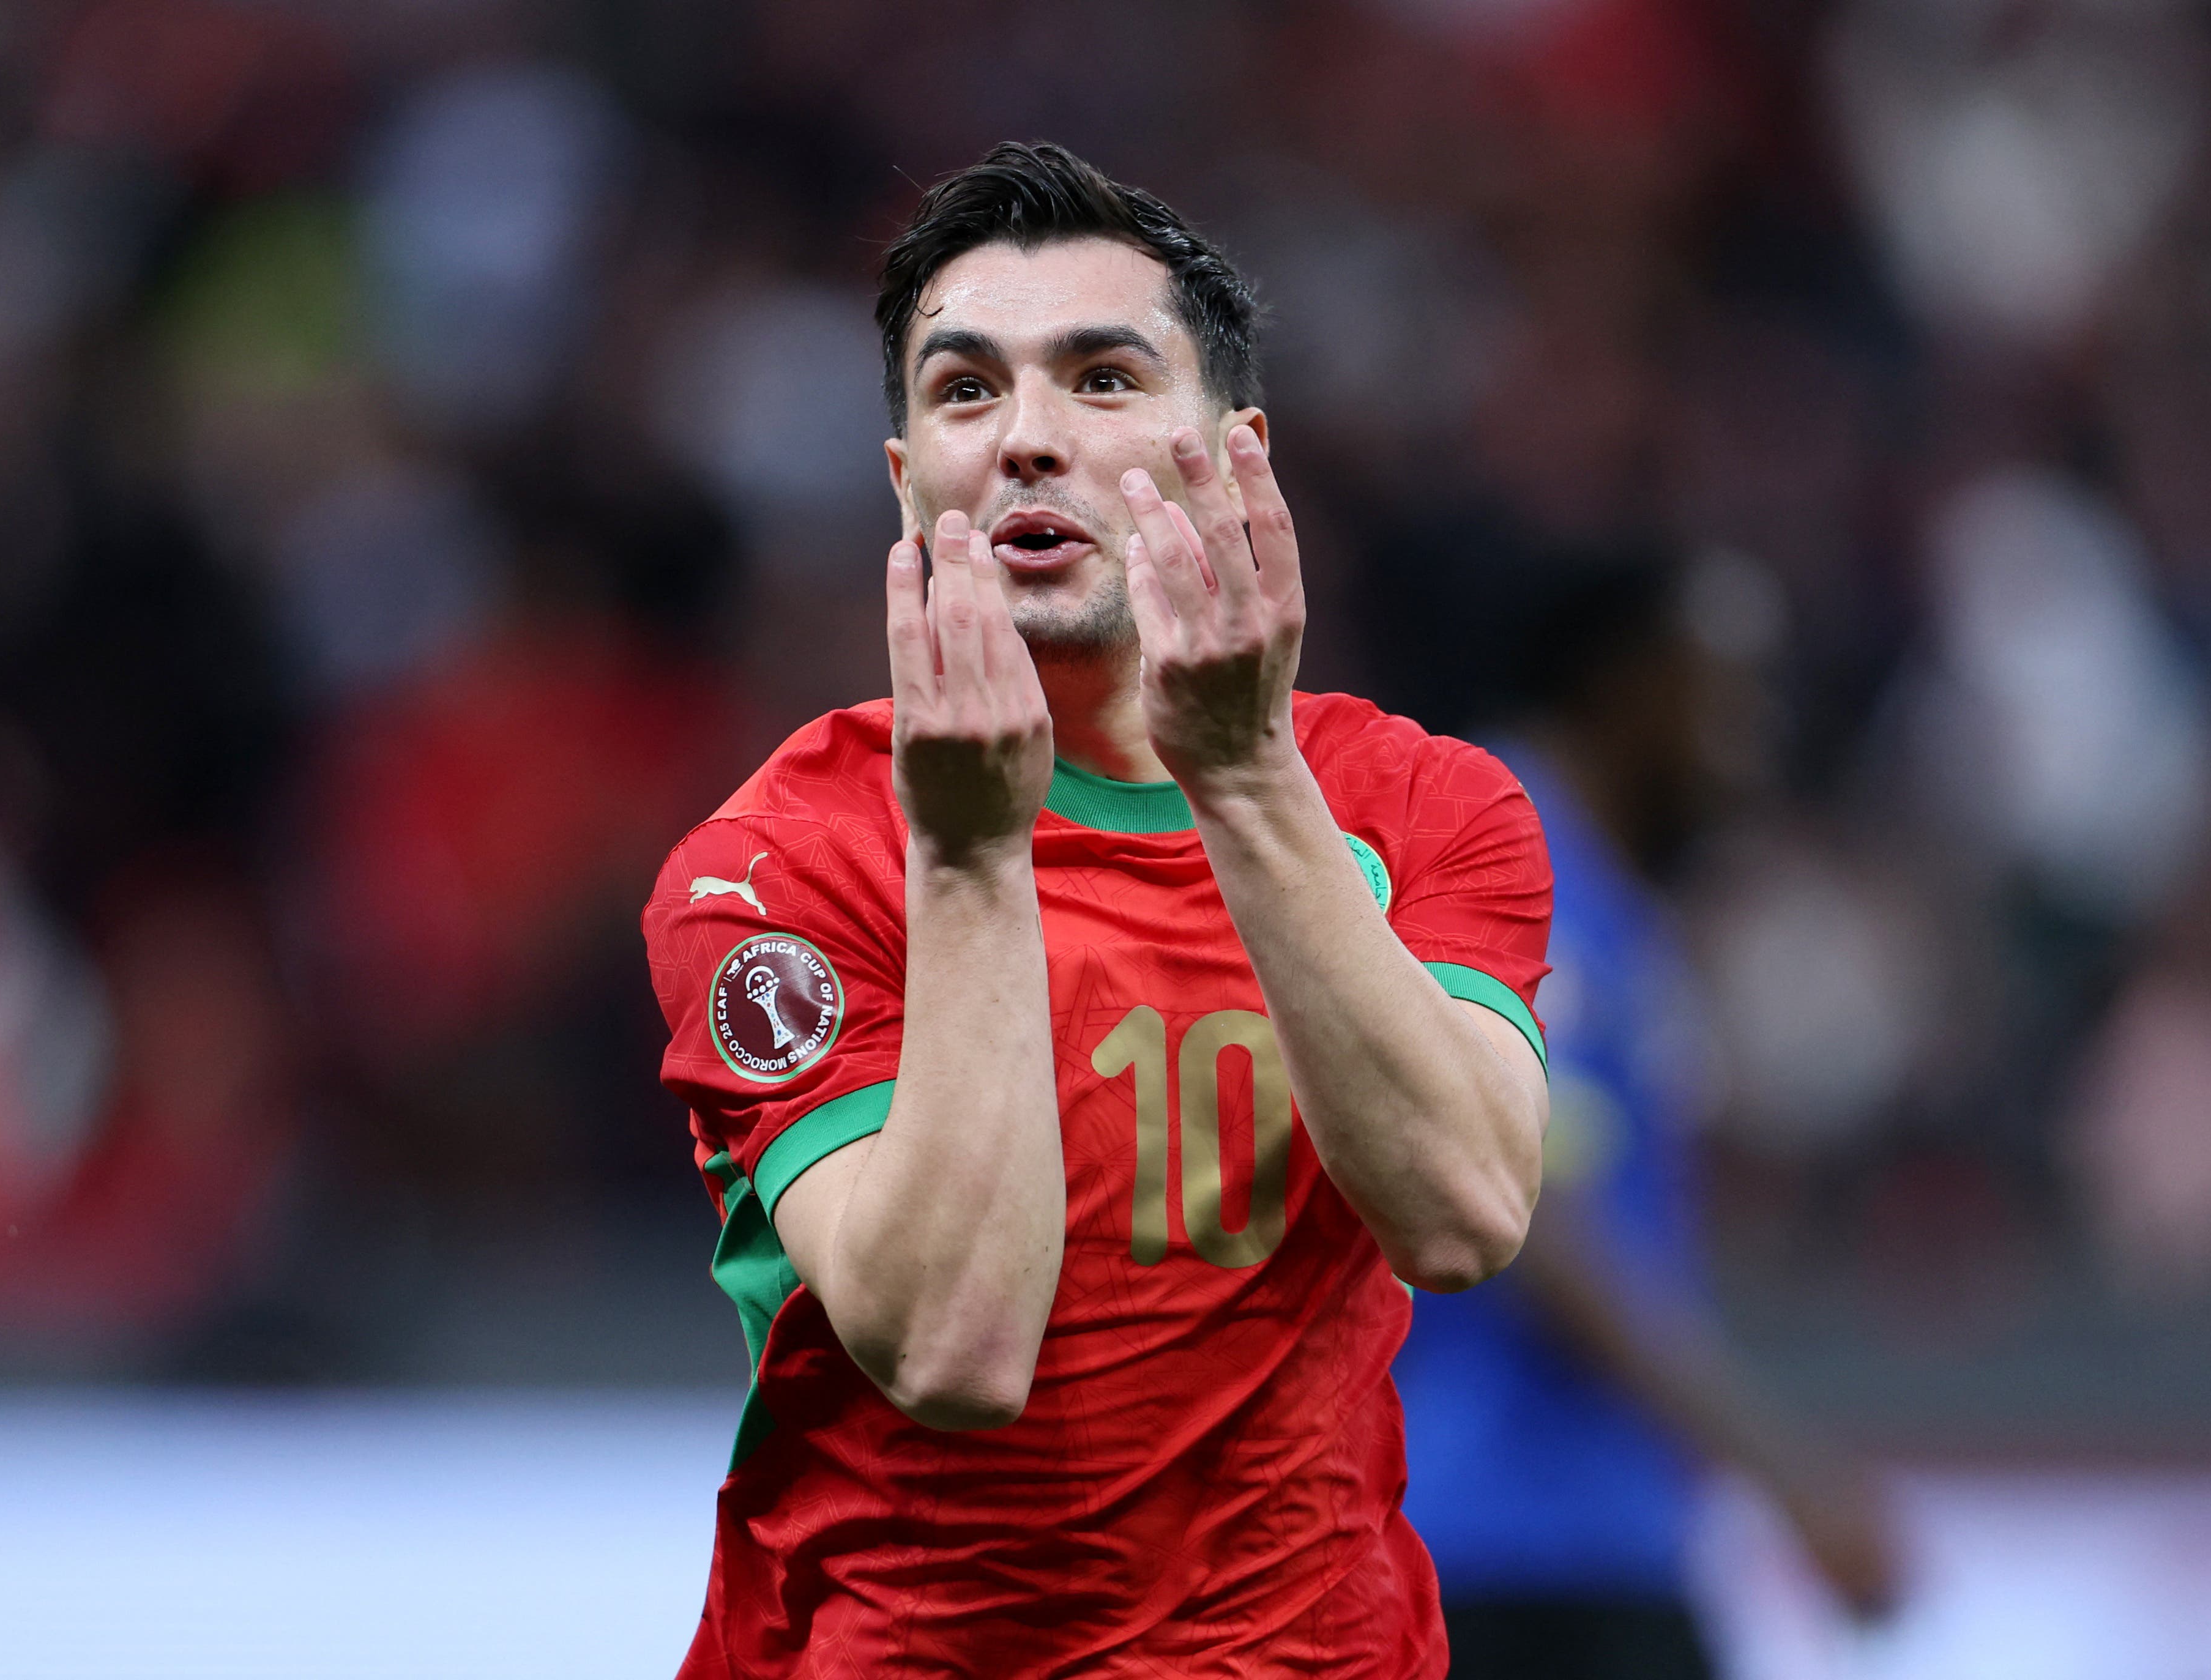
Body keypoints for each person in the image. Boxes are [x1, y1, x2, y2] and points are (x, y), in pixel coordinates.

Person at [640, 143, 1554, 1676]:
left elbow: (1462, 1215)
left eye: (1104, 378)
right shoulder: (775, 867)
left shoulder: (1423, 808)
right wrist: (975, 859)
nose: (1026, 441)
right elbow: (950, 1348)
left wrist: (1247, 780)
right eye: (964, 391)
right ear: (902, 476)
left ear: (1232, 451)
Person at [1390, 550, 1901, 1679]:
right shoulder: (1517, 860)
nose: (1754, 727)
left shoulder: (1602, 886)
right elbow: (1527, 1201)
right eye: (1724, 685)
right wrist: (1782, 1467)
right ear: (1625, 685)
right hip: (1517, 1552)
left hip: (1570, 1540)